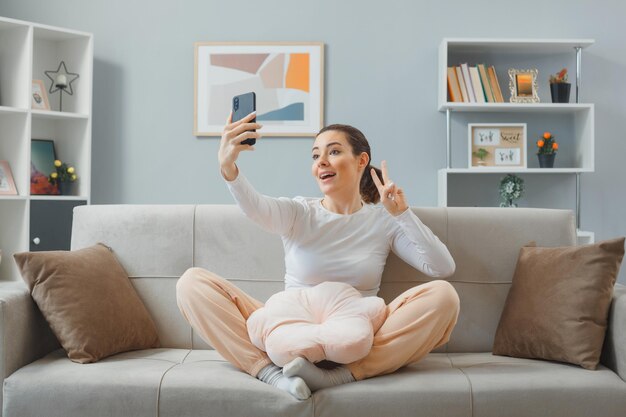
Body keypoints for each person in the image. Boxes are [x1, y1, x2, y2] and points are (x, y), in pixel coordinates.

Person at [176, 111, 460, 400]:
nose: (321, 161)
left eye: (333, 151)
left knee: (444, 296)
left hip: (359, 336)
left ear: (362, 161)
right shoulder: (300, 212)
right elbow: (256, 207)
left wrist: (402, 214)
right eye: (315, 156)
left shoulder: (383, 221)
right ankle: (272, 375)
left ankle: (337, 376)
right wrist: (229, 167)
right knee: (191, 283)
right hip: (286, 331)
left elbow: (441, 267)